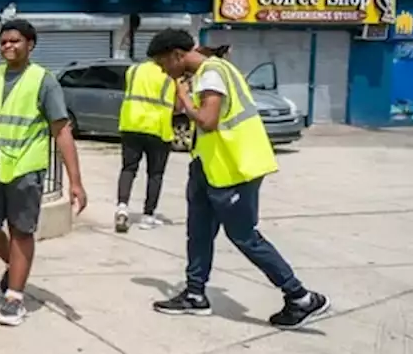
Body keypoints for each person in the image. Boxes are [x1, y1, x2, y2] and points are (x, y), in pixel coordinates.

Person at [146, 29, 329, 328]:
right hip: (209, 166)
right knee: (199, 232)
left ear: (177, 55)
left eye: (162, 63)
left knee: (245, 236)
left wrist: (184, 99)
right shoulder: (207, 71)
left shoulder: (212, 73)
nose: (162, 70)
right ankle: (195, 294)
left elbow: (208, 120)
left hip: (235, 168)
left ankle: (300, 297)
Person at [0, 19, 87, 327]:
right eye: (4, 41)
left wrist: (75, 181)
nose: (8, 46)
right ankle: (17, 265)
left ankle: (14, 298)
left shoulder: (43, 81)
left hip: (25, 167)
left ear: (30, 45)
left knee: (22, 230)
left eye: (15, 41)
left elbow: (61, 131)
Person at [114, 57, 176, 232]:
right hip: (158, 128)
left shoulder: (133, 70)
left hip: (131, 124)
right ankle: (148, 216)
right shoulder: (169, 75)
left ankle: (122, 208)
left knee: (128, 168)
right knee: (155, 174)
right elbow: (176, 105)